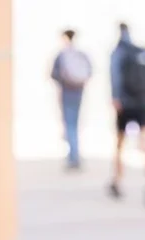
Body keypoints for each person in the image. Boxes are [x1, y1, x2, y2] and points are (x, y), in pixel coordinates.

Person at [109, 22, 145, 205]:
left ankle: (117, 180)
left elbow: (115, 77)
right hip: (143, 103)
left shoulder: (119, 53)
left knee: (120, 143)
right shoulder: (142, 52)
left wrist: (115, 98)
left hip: (125, 103)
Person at [50, 29, 92, 170]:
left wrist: (64, 82)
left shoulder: (62, 55)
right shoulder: (81, 54)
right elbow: (90, 72)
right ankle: (75, 154)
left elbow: (53, 74)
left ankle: (73, 157)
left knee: (70, 125)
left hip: (67, 93)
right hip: (78, 93)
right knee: (75, 124)